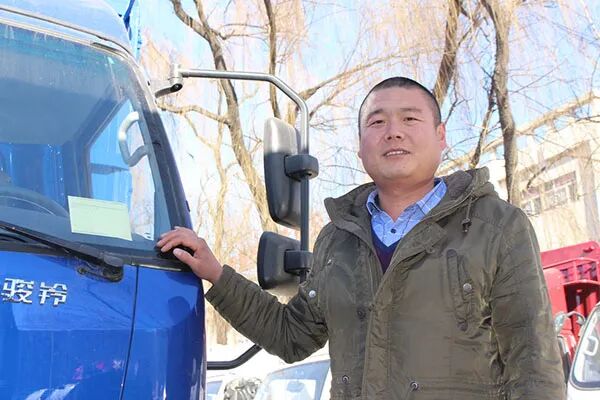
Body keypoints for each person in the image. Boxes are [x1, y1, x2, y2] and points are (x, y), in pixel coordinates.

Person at [157, 77, 566, 400]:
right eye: (377, 122)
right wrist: (216, 273)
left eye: (410, 119)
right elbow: (291, 336)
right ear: (359, 146)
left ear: (441, 136)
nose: (393, 132)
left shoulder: (496, 227)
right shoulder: (338, 240)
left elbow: (534, 362)